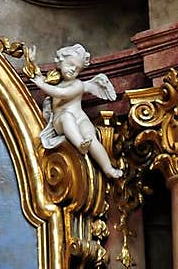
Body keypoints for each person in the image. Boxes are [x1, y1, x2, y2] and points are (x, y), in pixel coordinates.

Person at [28, 43, 123, 180]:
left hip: (80, 119)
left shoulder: (77, 85)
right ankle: (80, 145)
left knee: (91, 136)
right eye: (70, 64)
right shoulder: (54, 83)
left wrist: (41, 85)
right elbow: (40, 77)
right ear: (60, 63)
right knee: (67, 116)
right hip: (61, 121)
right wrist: (32, 62)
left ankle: (108, 168)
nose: (73, 69)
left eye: (77, 68)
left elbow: (62, 93)